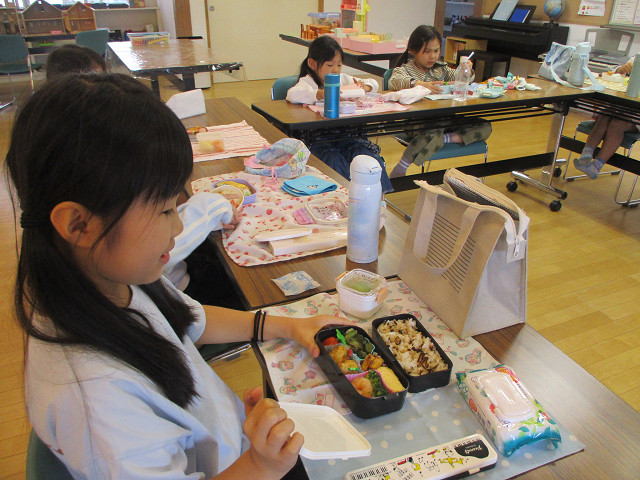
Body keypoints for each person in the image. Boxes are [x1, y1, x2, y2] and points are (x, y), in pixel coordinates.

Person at [6, 73, 352, 479]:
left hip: (237, 447)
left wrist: (287, 327)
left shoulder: (108, 278)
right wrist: (261, 464)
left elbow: (188, 318)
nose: (177, 227)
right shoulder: (95, 399)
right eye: (165, 210)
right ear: (79, 224)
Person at [286, 35, 393, 193]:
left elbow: (374, 83)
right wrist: (319, 94)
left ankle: (378, 198)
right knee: (333, 159)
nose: (335, 70)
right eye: (329, 65)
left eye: (339, 65)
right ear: (312, 64)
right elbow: (292, 94)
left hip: (346, 135)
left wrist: (364, 87)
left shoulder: (343, 79)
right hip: (318, 139)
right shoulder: (307, 82)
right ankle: (344, 196)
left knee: (364, 156)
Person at [387, 25, 492, 178]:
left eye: (436, 51)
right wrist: (420, 84)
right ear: (413, 51)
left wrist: (466, 70)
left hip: (446, 119)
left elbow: (462, 78)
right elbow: (394, 82)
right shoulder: (405, 70)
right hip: (416, 122)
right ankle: (402, 166)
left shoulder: (441, 69)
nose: (433, 56)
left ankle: (442, 139)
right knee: (432, 131)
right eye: (427, 51)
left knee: (485, 126)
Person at [573, 61, 639, 179]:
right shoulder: (637, 58)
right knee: (604, 115)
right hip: (625, 105)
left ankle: (596, 166)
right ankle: (586, 155)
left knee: (617, 124)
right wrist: (622, 69)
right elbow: (615, 73)